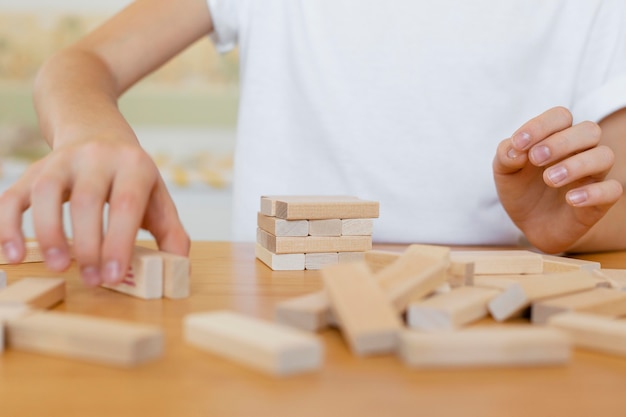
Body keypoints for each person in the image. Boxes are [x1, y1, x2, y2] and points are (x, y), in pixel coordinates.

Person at [0, 0, 624, 287]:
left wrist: (565, 226)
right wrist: (89, 126)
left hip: (488, 323)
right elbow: (79, 64)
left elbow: (611, 198)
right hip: (271, 314)